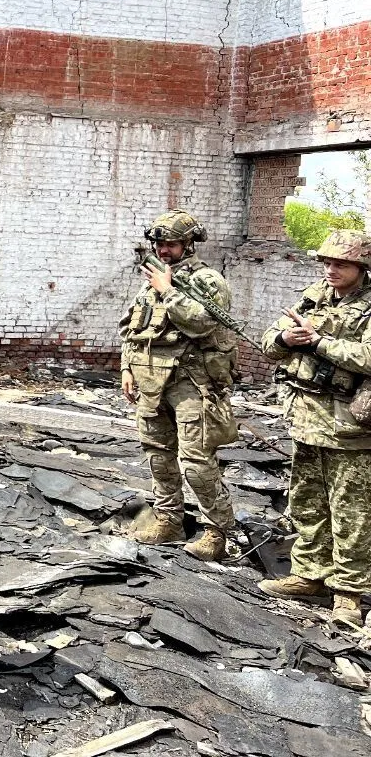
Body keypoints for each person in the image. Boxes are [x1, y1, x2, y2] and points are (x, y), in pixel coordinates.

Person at [258, 230, 371, 629]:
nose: (330, 269)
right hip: (307, 420)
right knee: (306, 502)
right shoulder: (314, 296)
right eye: (326, 262)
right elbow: (269, 342)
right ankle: (309, 575)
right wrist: (287, 337)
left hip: (350, 429)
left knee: (351, 511)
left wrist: (319, 343)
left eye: (340, 263)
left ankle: (348, 593)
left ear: (362, 267)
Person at [118, 209, 238, 561]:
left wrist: (168, 291)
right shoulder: (152, 281)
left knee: (197, 462)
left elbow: (202, 324)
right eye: (159, 243)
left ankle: (216, 532)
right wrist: (127, 368)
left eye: (170, 243)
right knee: (157, 454)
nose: (162, 249)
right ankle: (168, 518)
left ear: (188, 244)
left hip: (192, 383)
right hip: (151, 381)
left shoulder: (208, 281)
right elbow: (133, 329)